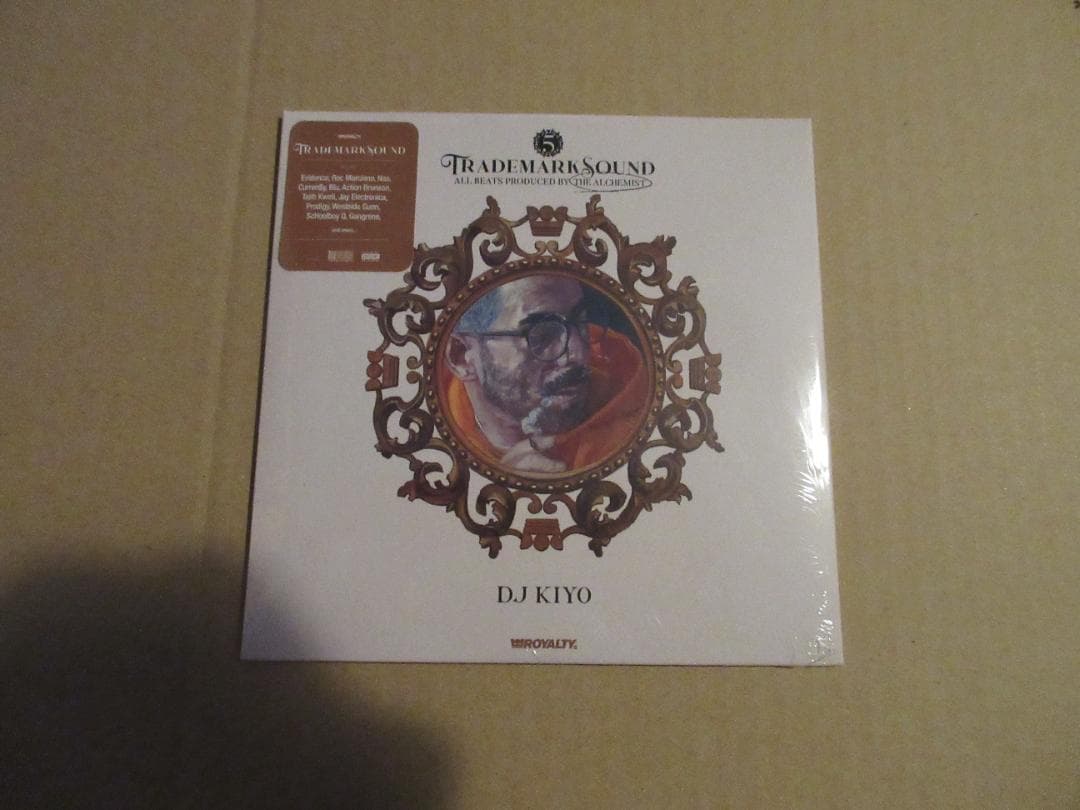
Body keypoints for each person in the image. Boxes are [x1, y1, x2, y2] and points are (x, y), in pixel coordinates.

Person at [440, 274, 648, 474]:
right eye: (541, 334)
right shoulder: (443, 447)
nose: (577, 354)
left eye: (581, 321)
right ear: (461, 357)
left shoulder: (631, 426)